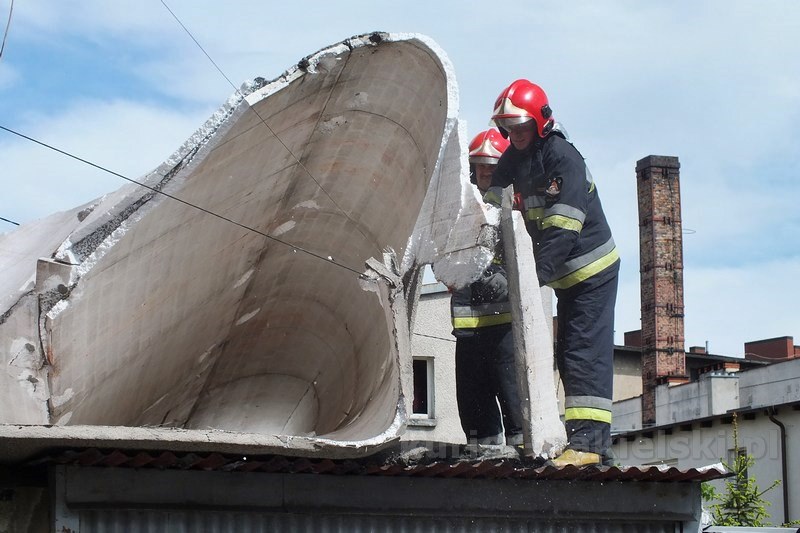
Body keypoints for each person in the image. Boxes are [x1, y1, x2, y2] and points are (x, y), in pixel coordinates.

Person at [484, 80, 620, 467]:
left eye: (522, 125)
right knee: (567, 353)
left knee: (583, 354)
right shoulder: (511, 161)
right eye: (509, 127)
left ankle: (591, 447)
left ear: (540, 121)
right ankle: (586, 444)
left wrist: (530, 279)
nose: (516, 134)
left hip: (593, 272)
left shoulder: (564, 159)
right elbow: (494, 219)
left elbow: (562, 232)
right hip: (566, 278)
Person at [451, 128, 524, 447]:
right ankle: (485, 464)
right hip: (468, 331)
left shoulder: (513, 205)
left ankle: (526, 471)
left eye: (492, 163)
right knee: (475, 412)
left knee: (517, 409)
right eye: (480, 164)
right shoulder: (459, 208)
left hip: (506, 327)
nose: (485, 170)